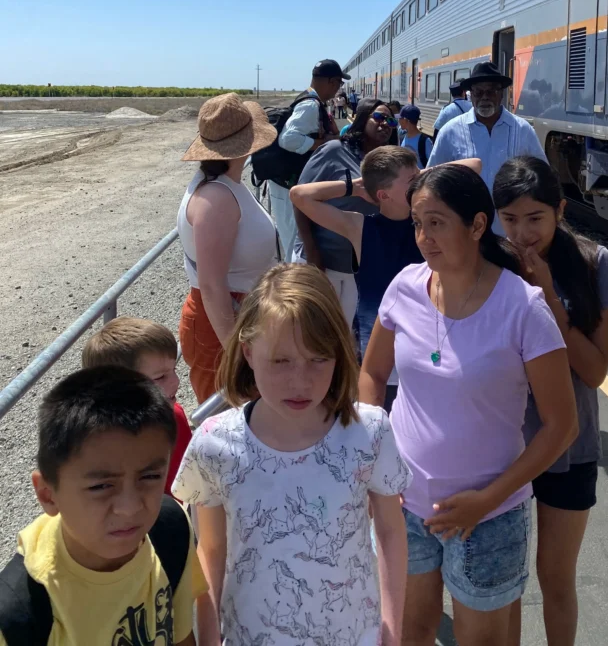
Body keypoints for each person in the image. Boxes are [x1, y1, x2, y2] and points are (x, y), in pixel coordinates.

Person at [359, 165, 578, 646]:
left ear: (477, 225)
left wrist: (488, 499)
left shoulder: (523, 307)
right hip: (405, 507)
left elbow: (562, 425)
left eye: (436, 223)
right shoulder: (404, 287)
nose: (423, 238)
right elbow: (372, 374)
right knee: (409, 632)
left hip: (490, 518)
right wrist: (375, 462)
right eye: (417, 224)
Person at [172, 264, 411, 646]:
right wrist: (209, 637)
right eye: (281, 361)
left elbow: (389, 530)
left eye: (318, 359)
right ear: (248, 352)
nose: (300, 381)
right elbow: (211, 549)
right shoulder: (214, 444)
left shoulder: (370, 432)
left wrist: (392, 629)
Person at [493, 156, 608, 646]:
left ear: (560, 210)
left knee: (555, 576)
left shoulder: (594, 264)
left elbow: (594, 372)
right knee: (501, 581)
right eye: (509, 219)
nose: (522, 233)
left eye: (535, 218)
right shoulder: (492, 262)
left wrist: (548, 296)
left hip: (569, 447)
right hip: (501, 447)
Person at [0, 366, 209, 646]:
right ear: (48, 495)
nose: (130, 507)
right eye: (100, 486)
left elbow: (181, 635)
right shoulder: (19, 616)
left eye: (149, 477)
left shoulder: (171, 528)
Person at [291, 146, 423, 410]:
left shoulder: (428, 223)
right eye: (413, 180)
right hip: (379, 359)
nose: (421, 183)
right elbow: (299, 195)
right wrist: (355, 187)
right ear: (383, 195)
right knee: (378, 421)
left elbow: (473, 165)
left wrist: (418, 178)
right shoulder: (360, 227)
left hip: (423, 349)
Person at [178, 93, 279, 404]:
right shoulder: (217, 197)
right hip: (224, 322)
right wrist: (238, 354)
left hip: (235, 316)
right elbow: (211, 286)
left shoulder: (224, 185)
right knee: (227, 414)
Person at [292, 99, 399, 326]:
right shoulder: (334, 151)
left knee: (344, 330)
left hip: (356, 267)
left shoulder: (389, 164)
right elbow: (299, 199)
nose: (385, 124)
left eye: (391, 121)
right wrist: (312, 252)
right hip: (321, 260)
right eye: (378, 117)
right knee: (313, 329)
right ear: (362, 119)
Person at [428, 61, 547, 231]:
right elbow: (432, 179)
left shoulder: (523, 130)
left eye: (491, 91)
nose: (484, 97)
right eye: (478, 92)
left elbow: (542, 176)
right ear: (471, 95)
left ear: (501, 94)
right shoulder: (450, 131)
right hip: (466, 230)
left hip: (511, 232)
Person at [81, 316, 192, 498]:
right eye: (160, 377)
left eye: (174, 370)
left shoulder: (174, 417)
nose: (176, 381)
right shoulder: (94, 448)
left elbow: (190, 483)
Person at [268, 60, 348, 261]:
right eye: (339, 83)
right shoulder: (310, 105)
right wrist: (324, 142)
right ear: (331, 81)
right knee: (292, 239)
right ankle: (291, 277)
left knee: (295, 236)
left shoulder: (313, 101)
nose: (339, 88)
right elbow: (288, 139)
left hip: (290, 182)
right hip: (286, 183)